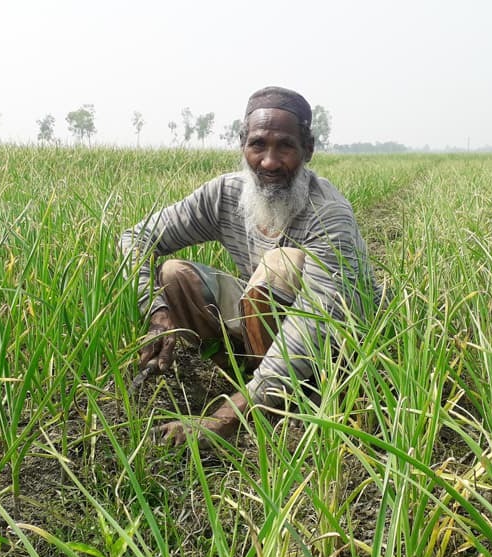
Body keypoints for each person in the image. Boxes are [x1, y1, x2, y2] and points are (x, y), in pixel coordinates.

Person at [119, 86, 377, 448]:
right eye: (258, 145)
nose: (269, 161)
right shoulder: (225, 194)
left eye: (285, 146)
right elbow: (135, 238)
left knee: (280, 264)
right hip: (266, 321)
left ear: (308, 149)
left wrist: (226, 417)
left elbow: (315, 322)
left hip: (332, 343)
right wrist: (157, 310)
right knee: (174, 275)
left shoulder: (328, 214)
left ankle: (287, 398)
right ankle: (245, 373)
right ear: (242, 144)